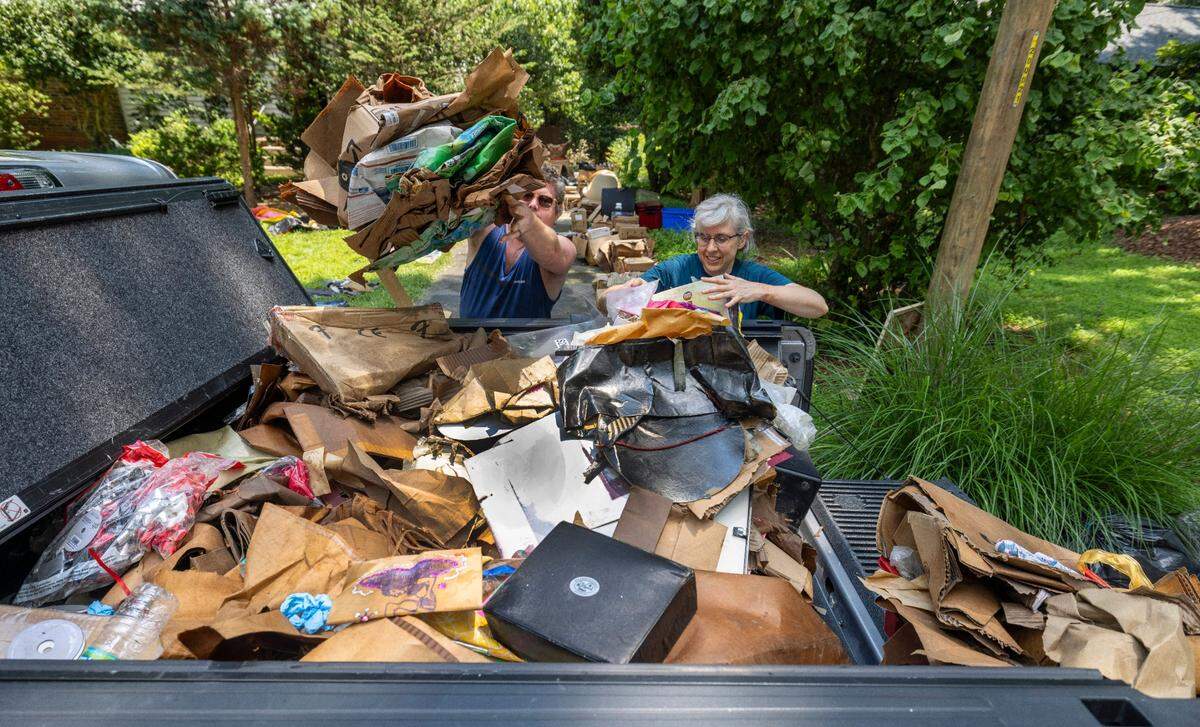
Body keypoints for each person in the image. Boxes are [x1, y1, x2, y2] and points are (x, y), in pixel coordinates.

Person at [599, 193, 828, 320]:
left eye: (721, 239)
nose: (710, 249)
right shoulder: (676, 270)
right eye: (702, 237)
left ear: (742, 239)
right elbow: (603, 300)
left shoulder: (751, 275)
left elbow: (818, 307)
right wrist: (627, 291)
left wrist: (762, 291)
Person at [459, 167, 576, 318]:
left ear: (557, 213)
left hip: (526, 341)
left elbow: (554, 254)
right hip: (471, 339)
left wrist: (529, 222)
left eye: (544, 201)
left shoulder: (564, 248)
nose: (533, 204)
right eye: (527, 195)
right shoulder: (485, 230)